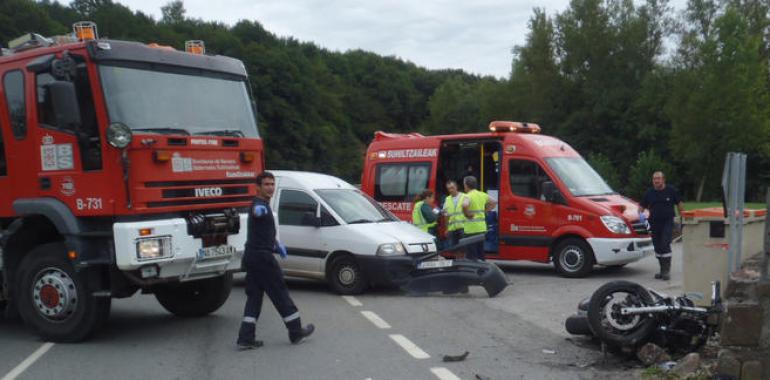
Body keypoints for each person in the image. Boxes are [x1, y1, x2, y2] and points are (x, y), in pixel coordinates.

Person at [237, 171, 314, 350]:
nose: (270, 187)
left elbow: (262, 231)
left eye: (272, 184)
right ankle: (296, 332)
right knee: (280, 292)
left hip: (253, 256)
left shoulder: (264, 204)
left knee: (254, 297)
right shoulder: (259, 206)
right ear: (257, 187)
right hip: (262, 258)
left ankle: (246, 337)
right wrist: (258, 211)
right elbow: (257, 214)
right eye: (266, 184)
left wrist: (276, 244)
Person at [639, 171, 684, 281]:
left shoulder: (671, 190)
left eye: (658, 178)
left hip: (668, 222)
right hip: (654, 223)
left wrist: (683, 218)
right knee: (657, 247)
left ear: (663, 179)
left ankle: (666, 271)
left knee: (665, 244)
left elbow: (680, 204)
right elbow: (641, 208)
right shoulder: (649, 193)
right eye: (654, 179)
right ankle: (661, 269)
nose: (656, 181)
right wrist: (642, 217)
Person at [462, 176, 497, 261]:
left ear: (466, 185)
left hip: (471, 230)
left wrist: (467, 214)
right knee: (480, 252)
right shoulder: (482, 194)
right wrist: (486, 210)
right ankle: (482, 270)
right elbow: (494, 201)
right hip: (481, 228)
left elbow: (465, 205)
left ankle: (473, 271)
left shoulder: (468, 196)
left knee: (471, 255)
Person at [442, 180, 468, 248]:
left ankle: (463, 259)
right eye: (448, 188)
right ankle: (457, 259)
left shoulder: (464, 196)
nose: (450, 190)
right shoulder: (447, 199)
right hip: (452, 229)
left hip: (463, 227)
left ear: (456, 187)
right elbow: (446, 216)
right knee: (455, 248)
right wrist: (446, 229)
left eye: (452, 187)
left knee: (464, 248)